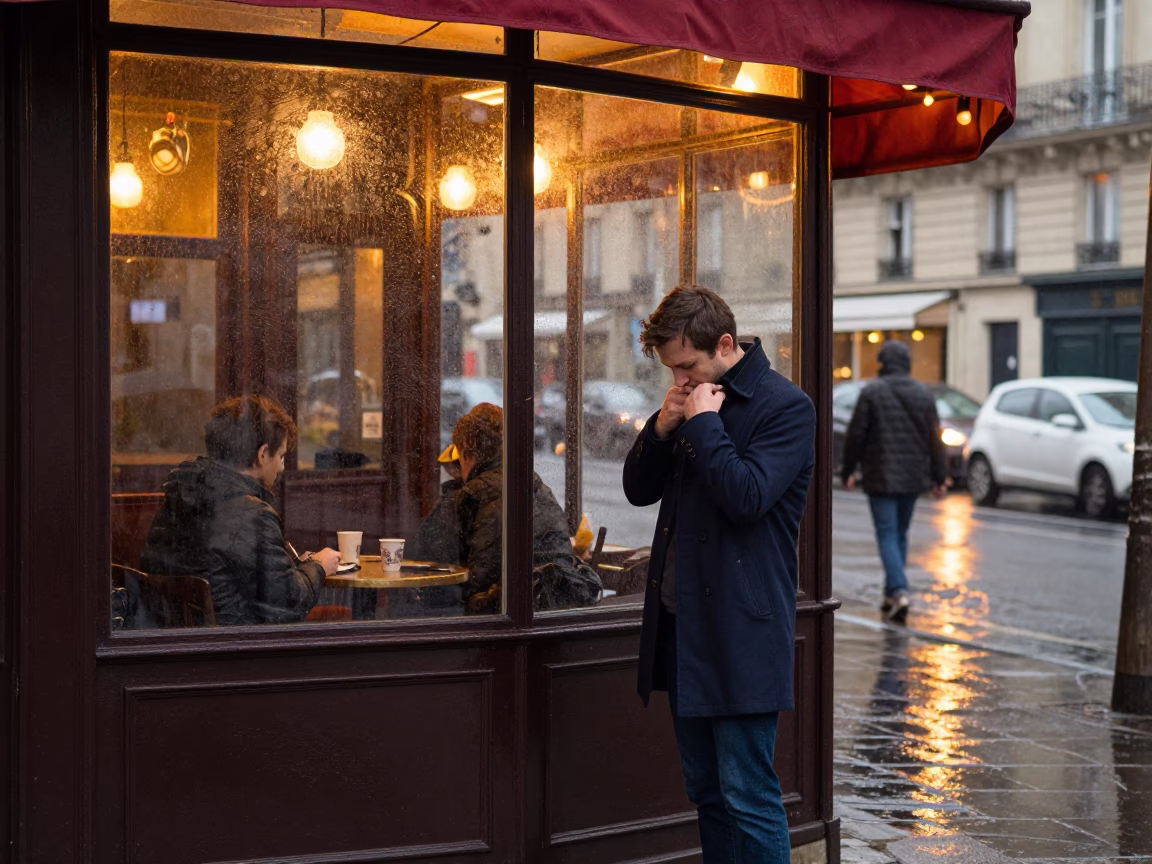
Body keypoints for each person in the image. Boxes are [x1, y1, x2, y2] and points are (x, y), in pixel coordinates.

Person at [622, 285, 815, 863]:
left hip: (741, 629)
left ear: (725, 344)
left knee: (748, 795)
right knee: (706, 792)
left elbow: (749, 497)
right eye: (671, 370)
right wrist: (662, 426)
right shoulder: (688, 400)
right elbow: (638, 490)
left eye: (687, 365)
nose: (679, 379)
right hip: (683, 626)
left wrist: (705, 424)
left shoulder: (786, 406)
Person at [141, 394, 340, 626]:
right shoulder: (250, 514)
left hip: (178, 642)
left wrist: (297, 567)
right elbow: (287, 605)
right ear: (263, 454)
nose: (282, 467)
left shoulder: (182, 496)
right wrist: (319, 566)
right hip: (237, 648)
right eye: (282, 456)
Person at [407, 402, 601, 614]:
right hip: (554, 616)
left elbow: (421, 557)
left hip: (493, 620)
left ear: (464, 451)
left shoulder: (469, 494)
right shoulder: (538, 487)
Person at [840, 340, 947, 624]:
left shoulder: (872, 391)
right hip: (913, 476)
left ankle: (899, 591)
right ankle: (890, 595)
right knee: (899, 533)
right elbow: (935, 438)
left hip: (879, 474)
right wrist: (939, 477)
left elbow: (856, 435)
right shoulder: (924, 393)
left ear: (883, 363)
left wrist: (847, 470)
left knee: (887, 534)